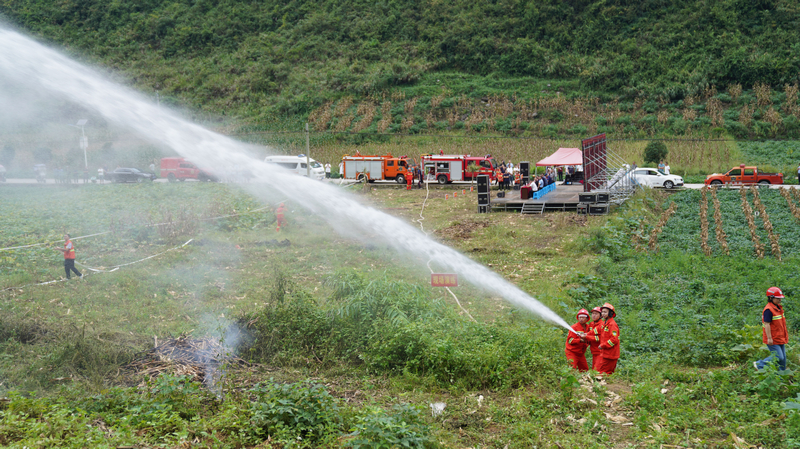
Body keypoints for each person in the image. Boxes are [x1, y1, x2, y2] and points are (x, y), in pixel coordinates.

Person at [755, 287, 789, 371]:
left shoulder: (778, 308)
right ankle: (759, 364)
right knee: (778, 357)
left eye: (780, 298)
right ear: (770, 298)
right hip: (773, 338)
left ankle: (781, 374)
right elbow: (767, 324)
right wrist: (769, 338)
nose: (780, 300)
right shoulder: (768, 310)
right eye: (777, 298)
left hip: (780, 337)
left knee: (783, 358)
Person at [591, 302, 620, 375]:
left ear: (610, 313)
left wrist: (603, 345)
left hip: (610, 354)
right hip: (605, 353)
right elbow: (596, 331)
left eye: (605, 312)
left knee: (604, 373)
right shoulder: (605, 323)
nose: (603, 314)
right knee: (600, 372)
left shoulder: (612, 324)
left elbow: (614, 340)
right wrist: (586, 334)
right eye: (602, 312)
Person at [588, 307, 604, 371]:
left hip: (600, 351)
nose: (593, 315)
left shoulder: (602, 325)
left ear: (601, 316)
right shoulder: (591, 324)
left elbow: (599, 338)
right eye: (593, 313)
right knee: (593, 370)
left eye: (596, 314)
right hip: (593, 350)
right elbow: (589, 334)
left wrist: (586, 337)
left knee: (596, 370)